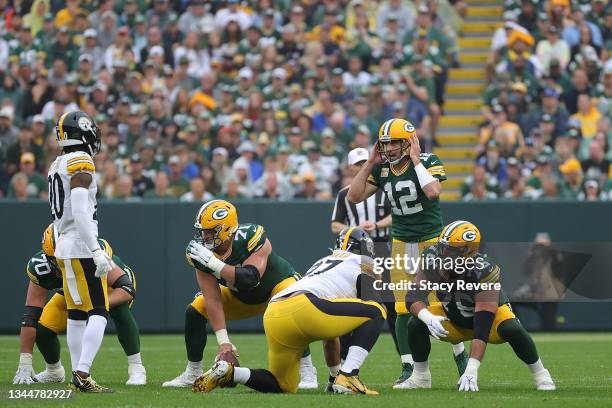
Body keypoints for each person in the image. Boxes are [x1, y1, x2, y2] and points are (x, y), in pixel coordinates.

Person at [193, 227, 385, 395]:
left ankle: (230, 372)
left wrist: (334, 377)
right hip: (305, 307)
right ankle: (350, 375)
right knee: (377, 310)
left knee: (283, 384)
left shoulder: (324, 262)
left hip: (275, 311)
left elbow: (331, 336)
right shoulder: (362, 262)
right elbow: (371, 305)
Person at [347, 118, 467, 386]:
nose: (389, 149)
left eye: (395, 143)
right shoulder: (382, 170)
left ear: (409, 142)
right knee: (402, 307)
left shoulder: (428, 160)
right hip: (401, 242)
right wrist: (369, 163)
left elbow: (433, 191)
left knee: (439, 301)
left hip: (432, 240)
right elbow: (353, 197)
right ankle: (410, 367)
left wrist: (416, 160)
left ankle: (459, 352)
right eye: (385, 143)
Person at [163, 200, 318, 389]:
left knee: (291, 304)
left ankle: (307, 369)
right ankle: (193, 371)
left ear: (227, 228)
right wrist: (224, 342)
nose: (205, 236)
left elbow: (251, 278)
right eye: (203, 231)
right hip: (239, 297)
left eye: (211, 231)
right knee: (195, 309)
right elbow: (212, 298)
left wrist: (215, 264)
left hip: (275, 289)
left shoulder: (251, 236)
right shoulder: (200, 252)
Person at [402, 221, 556, 392]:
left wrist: (471, 370)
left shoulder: (484, 270)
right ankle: (420, 377)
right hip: (453, 318)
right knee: (416, 322)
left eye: (450, 250)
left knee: (513, 328)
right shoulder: (432, 258)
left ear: (468, 252)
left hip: (487, 323)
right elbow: (413, 297)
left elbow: (482, 327)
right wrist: (427, 317)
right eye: (442, 247)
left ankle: (541, 374)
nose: (443, 254)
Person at [13, 224, 145, 386]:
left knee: (119, 309)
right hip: (73, 290)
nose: (63, 261)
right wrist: (25, 362)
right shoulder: (41, 267)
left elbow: (126, 289)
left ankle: (136, 368)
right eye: (57, 257)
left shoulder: (96, 253)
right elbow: (30, 317)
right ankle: (53, 371)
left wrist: (95, 306)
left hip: (106, 285)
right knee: (42, 326)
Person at [46, 111, 114, 392]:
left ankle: (77, 373)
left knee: (76, 313)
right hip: (80, 242)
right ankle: (83, 373)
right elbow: (81, 209)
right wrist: (96, 250)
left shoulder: (57, 162)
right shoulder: (80, 160)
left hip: (64, 243)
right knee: (99, 310)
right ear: (83, 131)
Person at [331, 147, 397, 353]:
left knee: (392, 303)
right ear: (350, 168)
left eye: (364, 163)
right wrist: (355, 230)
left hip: (380, 248)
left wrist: (377, 225)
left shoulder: (382, 189)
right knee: (348, 301)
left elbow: (396, 214)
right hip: (353, 253)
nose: (362, 167)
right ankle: (343, 357)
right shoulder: (344, 194)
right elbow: (335, 225)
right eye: (358, 164)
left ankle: (406, 357)